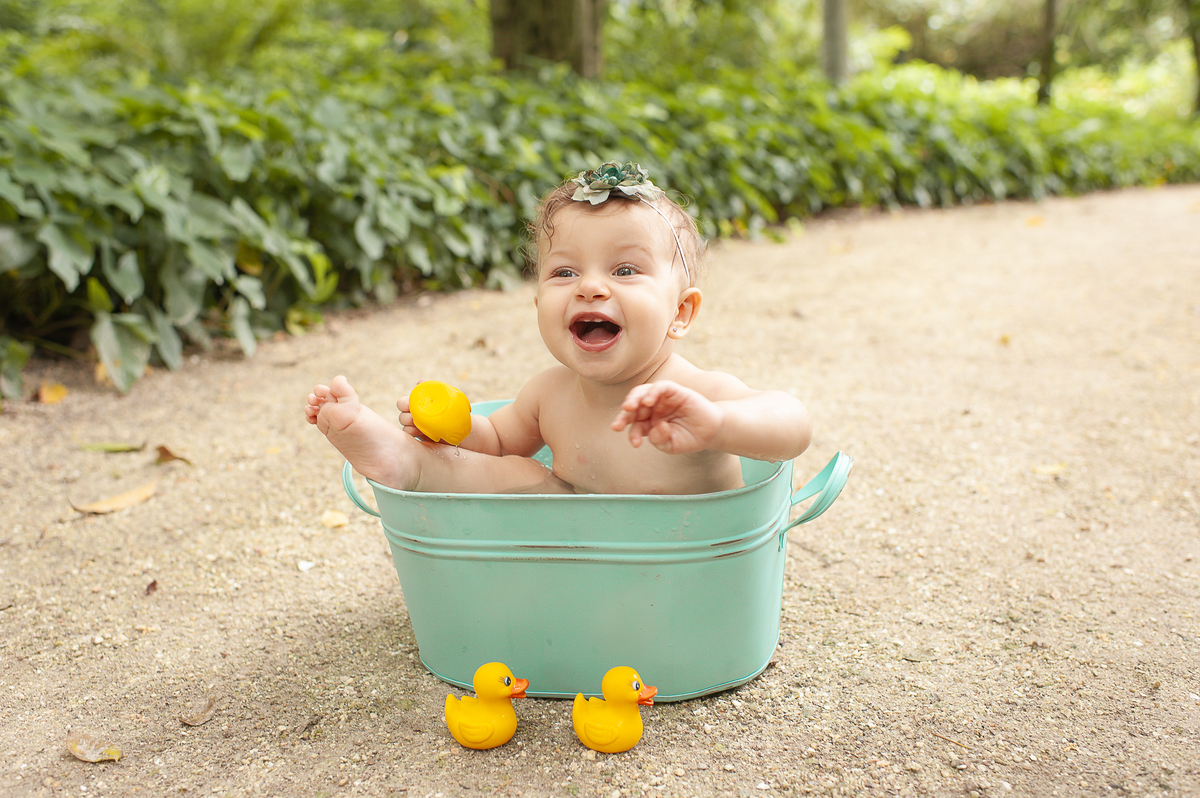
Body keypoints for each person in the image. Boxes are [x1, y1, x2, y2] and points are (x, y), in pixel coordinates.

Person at [305, 161, 812, 495]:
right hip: (579, 555)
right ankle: (409, 465)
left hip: (684, 562)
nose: (589, 287)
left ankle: (413, 469)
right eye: (564, 273)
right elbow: (497, 441)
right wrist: (451, 428)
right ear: (538, 302)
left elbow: (793, 425)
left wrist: (718, 424)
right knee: (522, 476)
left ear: (680, 313)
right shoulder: (549, 394)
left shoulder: (697, 395)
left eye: (625, 270)